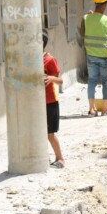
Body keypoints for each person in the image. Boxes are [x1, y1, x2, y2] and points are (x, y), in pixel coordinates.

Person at [77, 0, 107, 116]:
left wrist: (90, 17)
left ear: (95, 3)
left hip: (91, 56)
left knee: (92, 80)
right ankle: (105, 108)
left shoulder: (86, 18)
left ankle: (91, 109)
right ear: (105, 4)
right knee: (105, 81)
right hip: (105, 56)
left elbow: (82, 33)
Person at [42, 30, 65, 168]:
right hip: (37, 103)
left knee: (50, 133)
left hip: (50, 102)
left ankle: (60, 158)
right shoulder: (31, 60)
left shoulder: (49, 60)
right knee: (41, 133)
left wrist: (51, 78)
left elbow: (60, 80)